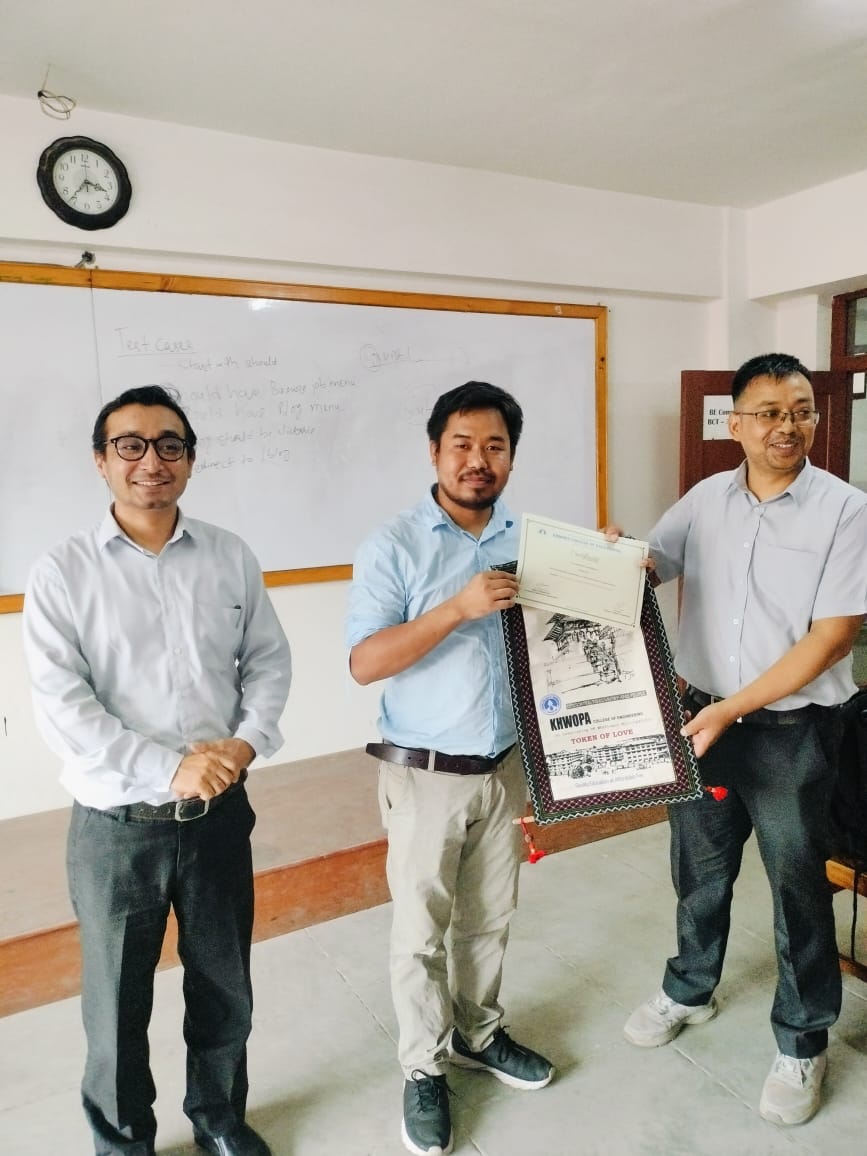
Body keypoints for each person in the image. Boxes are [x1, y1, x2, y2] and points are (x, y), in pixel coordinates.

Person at [23, 385, 291, 1156]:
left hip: (218, 818)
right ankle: (123, 1142)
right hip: (117, 830)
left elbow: (267, 660)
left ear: (190, 460)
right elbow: (64, 708)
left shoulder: (229, 555)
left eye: (170, 445)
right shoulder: (62, 571)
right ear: (101, 461)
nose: (151, 461)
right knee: (114, 1006)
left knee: (224, 986)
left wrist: (245, 743)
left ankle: (219, 1118)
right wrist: (170, 768)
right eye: (131, 445)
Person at [622, 353, 867, 1126]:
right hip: (702, 720)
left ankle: (801, 1039)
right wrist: (609, 558)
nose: (785, 426)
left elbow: (831, 638)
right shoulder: (704, 500)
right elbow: (649, 566)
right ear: (734, 424)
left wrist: (732, 709)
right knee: (697, 868)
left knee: (797, 886)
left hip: (794, 734)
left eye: (800, 411)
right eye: (767, 412)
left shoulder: (845, 511)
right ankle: (688, 988)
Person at [346, 382, 554, 1156]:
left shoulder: (530, 540)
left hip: (504, 767)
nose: (478, 460)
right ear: (434, 451)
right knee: (419, 934)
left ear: (511, 458)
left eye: (494, 446)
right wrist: (456, 609)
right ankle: (422, 1067)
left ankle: (479, 1034)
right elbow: (365, 662)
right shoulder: (394, 544)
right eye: (462, 444)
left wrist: (604, 566)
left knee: (490, 919)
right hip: (424, 774)